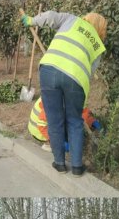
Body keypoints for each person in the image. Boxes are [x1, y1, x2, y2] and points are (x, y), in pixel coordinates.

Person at [21, 10, 107, 177]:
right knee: (74, 121)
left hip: (49, 69)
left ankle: (59, 163)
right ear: (101, 29)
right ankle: (76, 167)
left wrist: (32, 20)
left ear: (86, 18)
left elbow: (51, 17)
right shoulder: (98, 45)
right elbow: (89, 71)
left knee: (54, 120)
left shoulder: (72, 20)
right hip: (76, 78)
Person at [29, 97, 102, 152]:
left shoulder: (71, 94)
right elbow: (42, 126)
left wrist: (91, 121)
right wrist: (58, 141)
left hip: (46, 121)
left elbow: (81, 110)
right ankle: (49, 144)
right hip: (38, 131)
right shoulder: (53, 100)